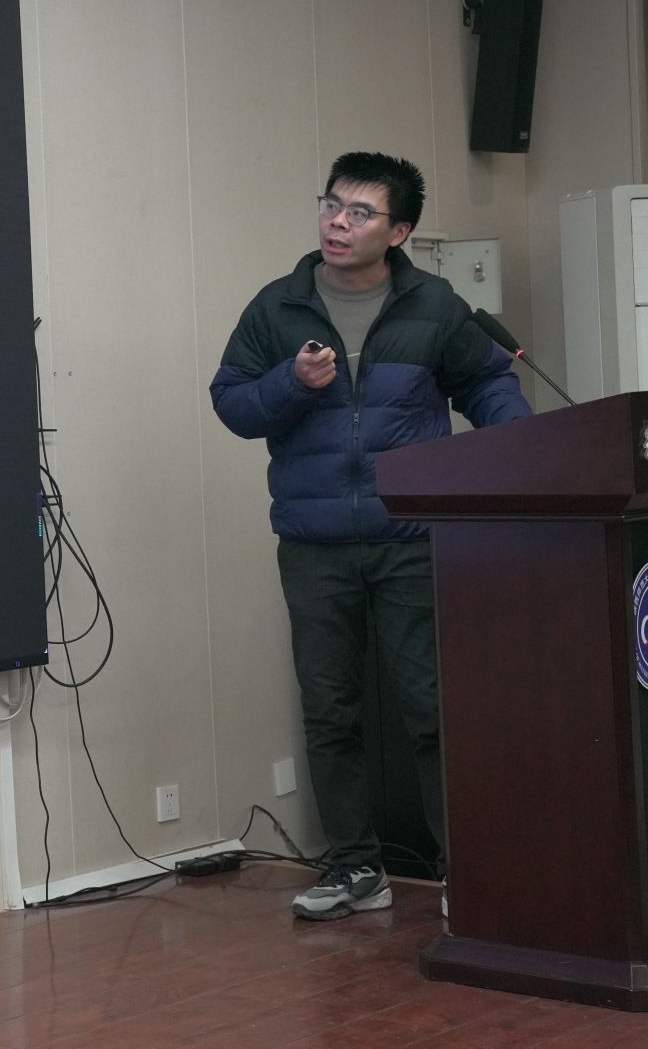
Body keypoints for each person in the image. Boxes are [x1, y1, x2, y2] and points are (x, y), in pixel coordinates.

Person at [209, 152, 531, 920]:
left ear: (399, 231)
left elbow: (488, 381)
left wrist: (519, 452)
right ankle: (356, 868)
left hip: (411, 539)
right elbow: (232, 402)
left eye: (360, 212)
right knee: (330, 710)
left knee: (432, 708)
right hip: (314, 544)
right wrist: (291, 383)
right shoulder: (278, 307)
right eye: (331, 204)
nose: (338, 222)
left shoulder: (433, 306)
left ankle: (465, 873)